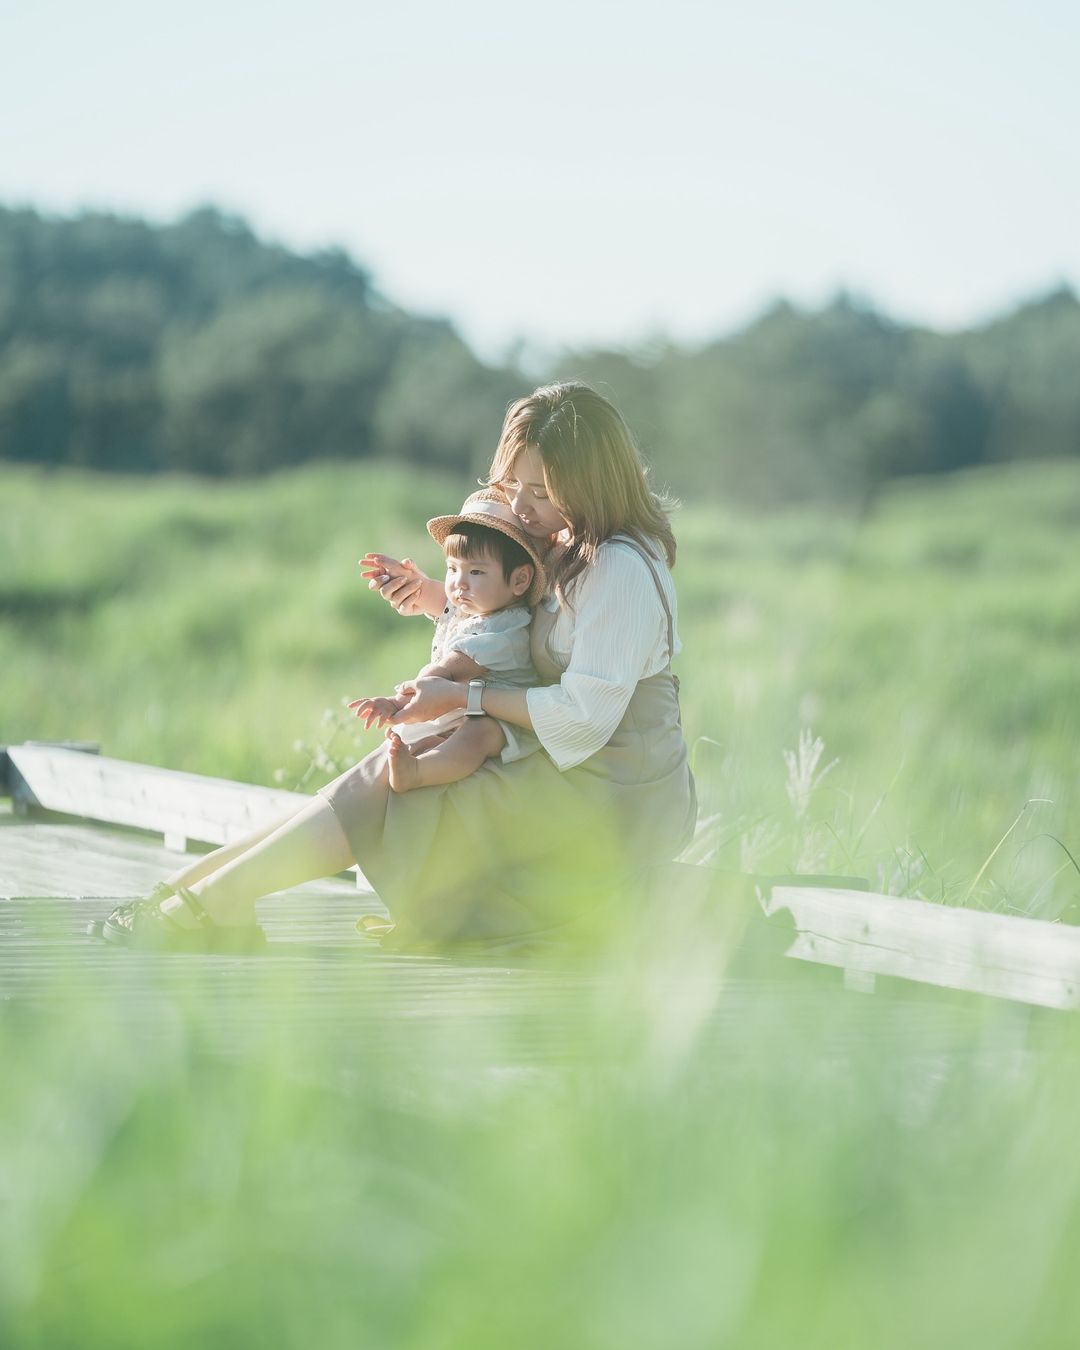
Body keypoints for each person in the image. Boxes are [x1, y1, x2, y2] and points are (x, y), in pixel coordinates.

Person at [98, 382, 696, 952]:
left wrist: (466, 699)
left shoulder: (618, 568)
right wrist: (437, 597)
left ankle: (210, 900)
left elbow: (585, 716)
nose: (520, 505)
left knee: (398, 782)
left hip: (615, 789)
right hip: (560, 758)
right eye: (514, 483)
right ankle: (198, 891)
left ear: (591, 483)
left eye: (540, 491)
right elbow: (517, 625)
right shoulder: (568, 541)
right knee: (390, 765)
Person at [350, 500, 546, 793]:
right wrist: (399, 578)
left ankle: (417, 773)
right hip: (455, 710)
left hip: (501, 719)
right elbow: (430, 594)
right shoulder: (472, 605)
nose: (459, 584)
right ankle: (415, 761)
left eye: (476, 572)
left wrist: (396, 702)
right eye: (452, 569)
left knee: (478, 734)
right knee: (431, 741)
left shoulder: (505, 630)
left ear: (519, 579)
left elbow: (445, 673)